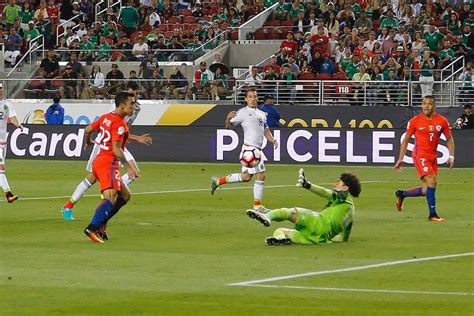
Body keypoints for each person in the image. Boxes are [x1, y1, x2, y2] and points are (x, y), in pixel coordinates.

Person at [61, 82, 152, 221]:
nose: (134, 97)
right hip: (105, 145)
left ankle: (110, 190)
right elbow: (112, 128)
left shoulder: (136, 108)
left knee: (134, 173)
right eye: (132, 94)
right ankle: (69, 205)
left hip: (118, 144)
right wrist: (137, 138)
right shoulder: (116, 109)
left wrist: (134, 138)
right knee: (91, 178)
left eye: (136, 94)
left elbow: (123, 131)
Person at [247, 169, 361, 245]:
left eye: (338, 183)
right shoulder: (350, 212)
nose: (335, 184)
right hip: (319, 238)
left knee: (290, 212)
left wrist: (308, 185)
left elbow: (326, 193)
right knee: (280, 230)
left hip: (319, 223)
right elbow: (343, 238)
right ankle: (280, 239)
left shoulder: (344, 197)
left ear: (346, 188)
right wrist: (328, 237)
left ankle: (267, 216)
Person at [82, 91, 139, 243]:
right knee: (111, 197)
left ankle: (102, 223)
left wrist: (88, 142)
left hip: (99, 160)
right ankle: (92, 227)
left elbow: (87, 130)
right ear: (121, 106)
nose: (133, 107)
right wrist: (128, 166)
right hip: (108, 163)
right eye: (131, 104)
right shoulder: (120, 125)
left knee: (125, 196)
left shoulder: (105, 117)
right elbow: (116, 149)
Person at [210, 88, 278, 212]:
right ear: (246, 99)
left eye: (254, 96)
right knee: (261, 175)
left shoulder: (262, 114)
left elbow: (265, 130)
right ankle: (257, 206)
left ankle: (218, 181)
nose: (253, 99)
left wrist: (272, 140)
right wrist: (228, 117)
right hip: (249, 149)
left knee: (246, 177)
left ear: (257, 98)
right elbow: (228, 127)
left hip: (256, 149)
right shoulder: (242, 112)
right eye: (250, 96)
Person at [393, 96, 455, 222]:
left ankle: (402, 194)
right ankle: (432, 214)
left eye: (429, 104)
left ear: (434, 106)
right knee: (431, 180)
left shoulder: (442, 121)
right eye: (424, 104)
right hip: (420, 155)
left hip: (433, 156)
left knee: (428, 189)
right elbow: (406, 140)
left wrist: (451, 156)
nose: (426, 106)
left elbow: (449, 139)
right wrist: (401, 158)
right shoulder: (415, 121)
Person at [0, 83, 23, 202]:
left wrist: (18, 124)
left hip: (3, 143)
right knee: (1, 169)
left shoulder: (7, 104)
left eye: (1, 88)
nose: (0, 90)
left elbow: (13, 117)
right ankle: (8, 194)